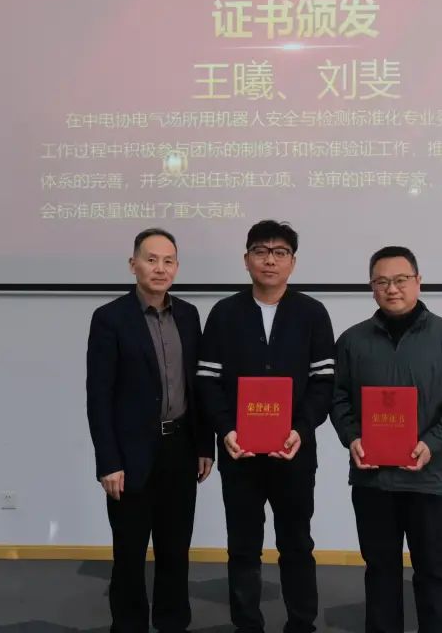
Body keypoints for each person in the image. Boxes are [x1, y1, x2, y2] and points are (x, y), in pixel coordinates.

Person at [330, 246, 442, 633]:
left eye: (401, 279)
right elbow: (336, 397)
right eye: (382, 281)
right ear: (371, 287)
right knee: (380, 570)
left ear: (418, 281)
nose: (392, 288)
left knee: (431, 570)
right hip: (372, 480)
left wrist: (433, 443)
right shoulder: (352, 340)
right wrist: (352, 437)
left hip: (426, 478)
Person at [196, 219, 335, 633]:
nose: (269, 260)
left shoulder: (312, 313)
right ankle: (247, 625)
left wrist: (301, 430)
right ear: (246, 260)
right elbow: (207, 380)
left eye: (279, 252)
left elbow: (324, 382)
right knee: (243, 548)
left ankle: (302, 623)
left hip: (294, 453)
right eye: (260, 251)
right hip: (239, 454)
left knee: (297, 545)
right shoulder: (224, 313)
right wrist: (225, 429)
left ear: (292, 262)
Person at [86, 228, 215, 633]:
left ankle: (173, 622)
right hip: (131, 455)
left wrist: (205, 444)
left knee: (175, 550)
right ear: (133, 265)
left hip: (181, 447)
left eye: (168, 261)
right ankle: (128, 625)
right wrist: (108, 461)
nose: (160, 268)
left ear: (177, 267)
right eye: (151, 259)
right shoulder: (110, 318)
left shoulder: (189, 316)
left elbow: (198, 387)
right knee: (129, 552)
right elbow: (99, 396)